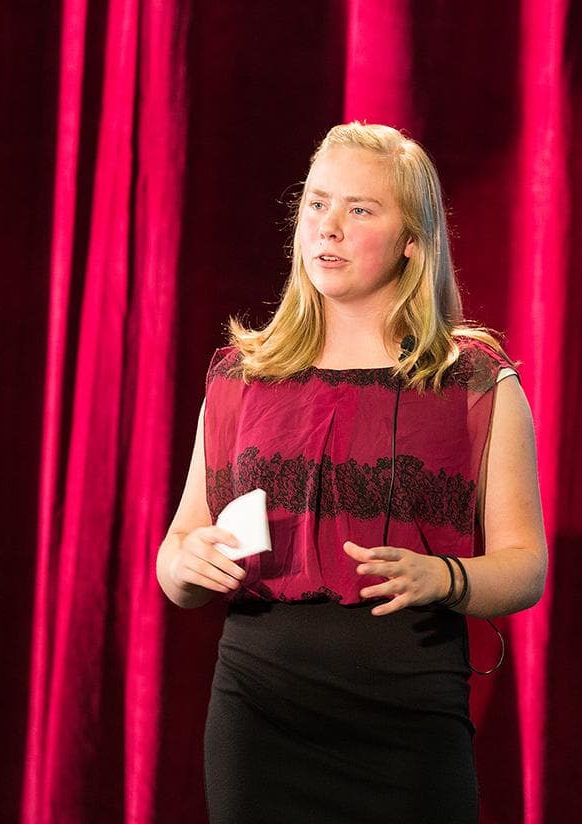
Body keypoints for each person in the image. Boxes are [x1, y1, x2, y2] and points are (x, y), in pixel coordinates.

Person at [155, 122, 548, 823]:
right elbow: (179, 547)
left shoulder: (476, 381)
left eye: (359, 210)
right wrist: (186, 565)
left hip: (408, 719)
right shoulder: (241, 374)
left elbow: (525, 567)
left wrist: (444, 577)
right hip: (259, 712)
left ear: (412, 242)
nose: (327, 227)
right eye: (316, 204)